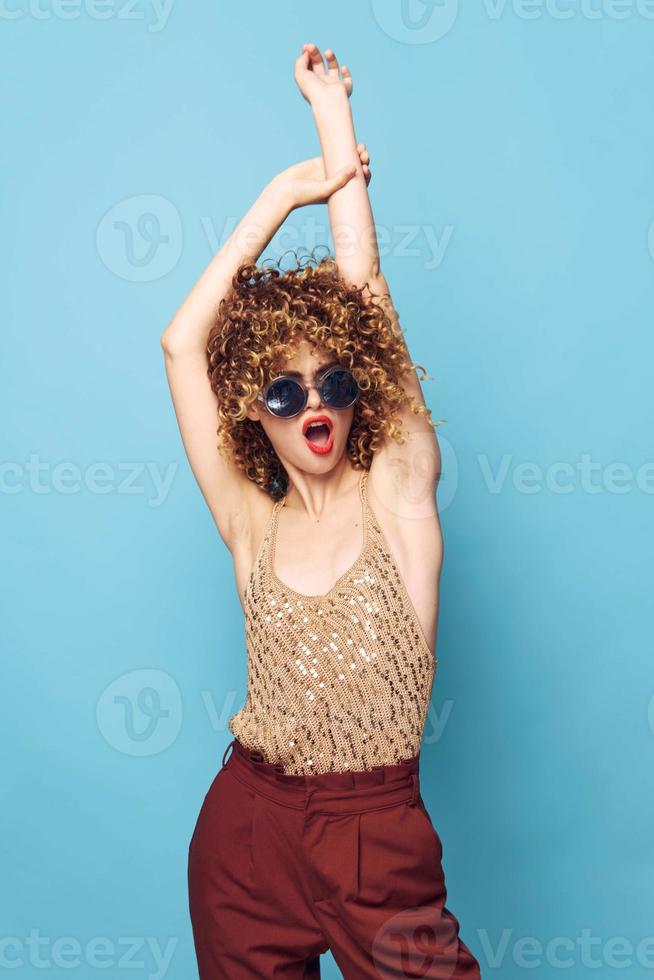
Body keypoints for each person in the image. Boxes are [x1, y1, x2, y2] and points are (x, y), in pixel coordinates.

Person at [161, 42, 481, 980]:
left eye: (332, 382)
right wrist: (277, 199)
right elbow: (183, 346)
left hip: (372, 831)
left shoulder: (400, 495)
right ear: (254, 414)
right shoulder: (249, 523)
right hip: (245, 834)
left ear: (357, 393)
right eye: (283, 390)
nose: (312, 404)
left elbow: (366, 298)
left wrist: (334, 124)